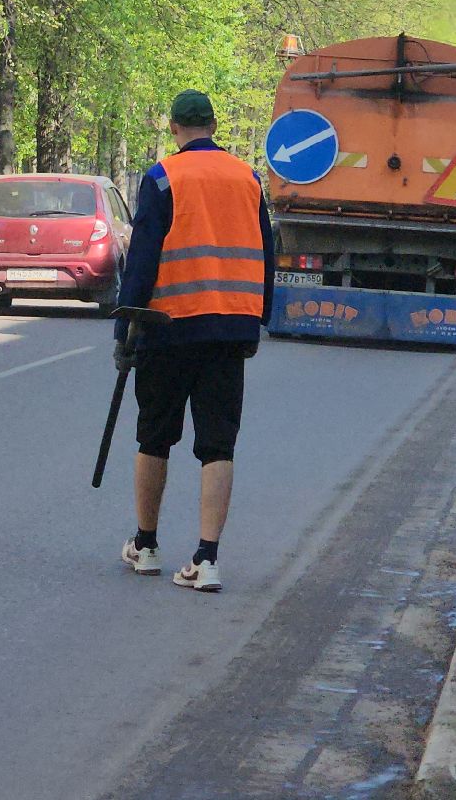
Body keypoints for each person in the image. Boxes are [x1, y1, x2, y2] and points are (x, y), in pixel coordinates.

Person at [114, 89, 274, 592]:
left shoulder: (163, 177)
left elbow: (142, 261)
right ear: (214, 126)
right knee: (218, 444)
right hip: (228, 330)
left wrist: (124, 330)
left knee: (154, 436)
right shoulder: (248, 179)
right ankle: (207, 558)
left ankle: (146, 545)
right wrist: (257, 321)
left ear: (173, 128)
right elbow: (266, 253)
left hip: (167, 326)